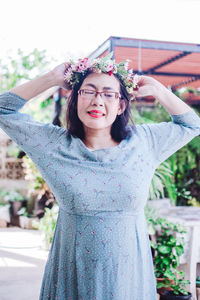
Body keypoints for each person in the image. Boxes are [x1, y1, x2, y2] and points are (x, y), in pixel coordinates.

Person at [0, 54, 200, 300]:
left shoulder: (144, 142)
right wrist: (51, 78)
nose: (97, 101)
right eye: (88, 91)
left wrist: (157, 89)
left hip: (129, 277)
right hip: (72, 275)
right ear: (75, 101)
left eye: (108, 94)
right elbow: (3, 109)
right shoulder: (52, 145)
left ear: (121, 106)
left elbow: (191, 124)